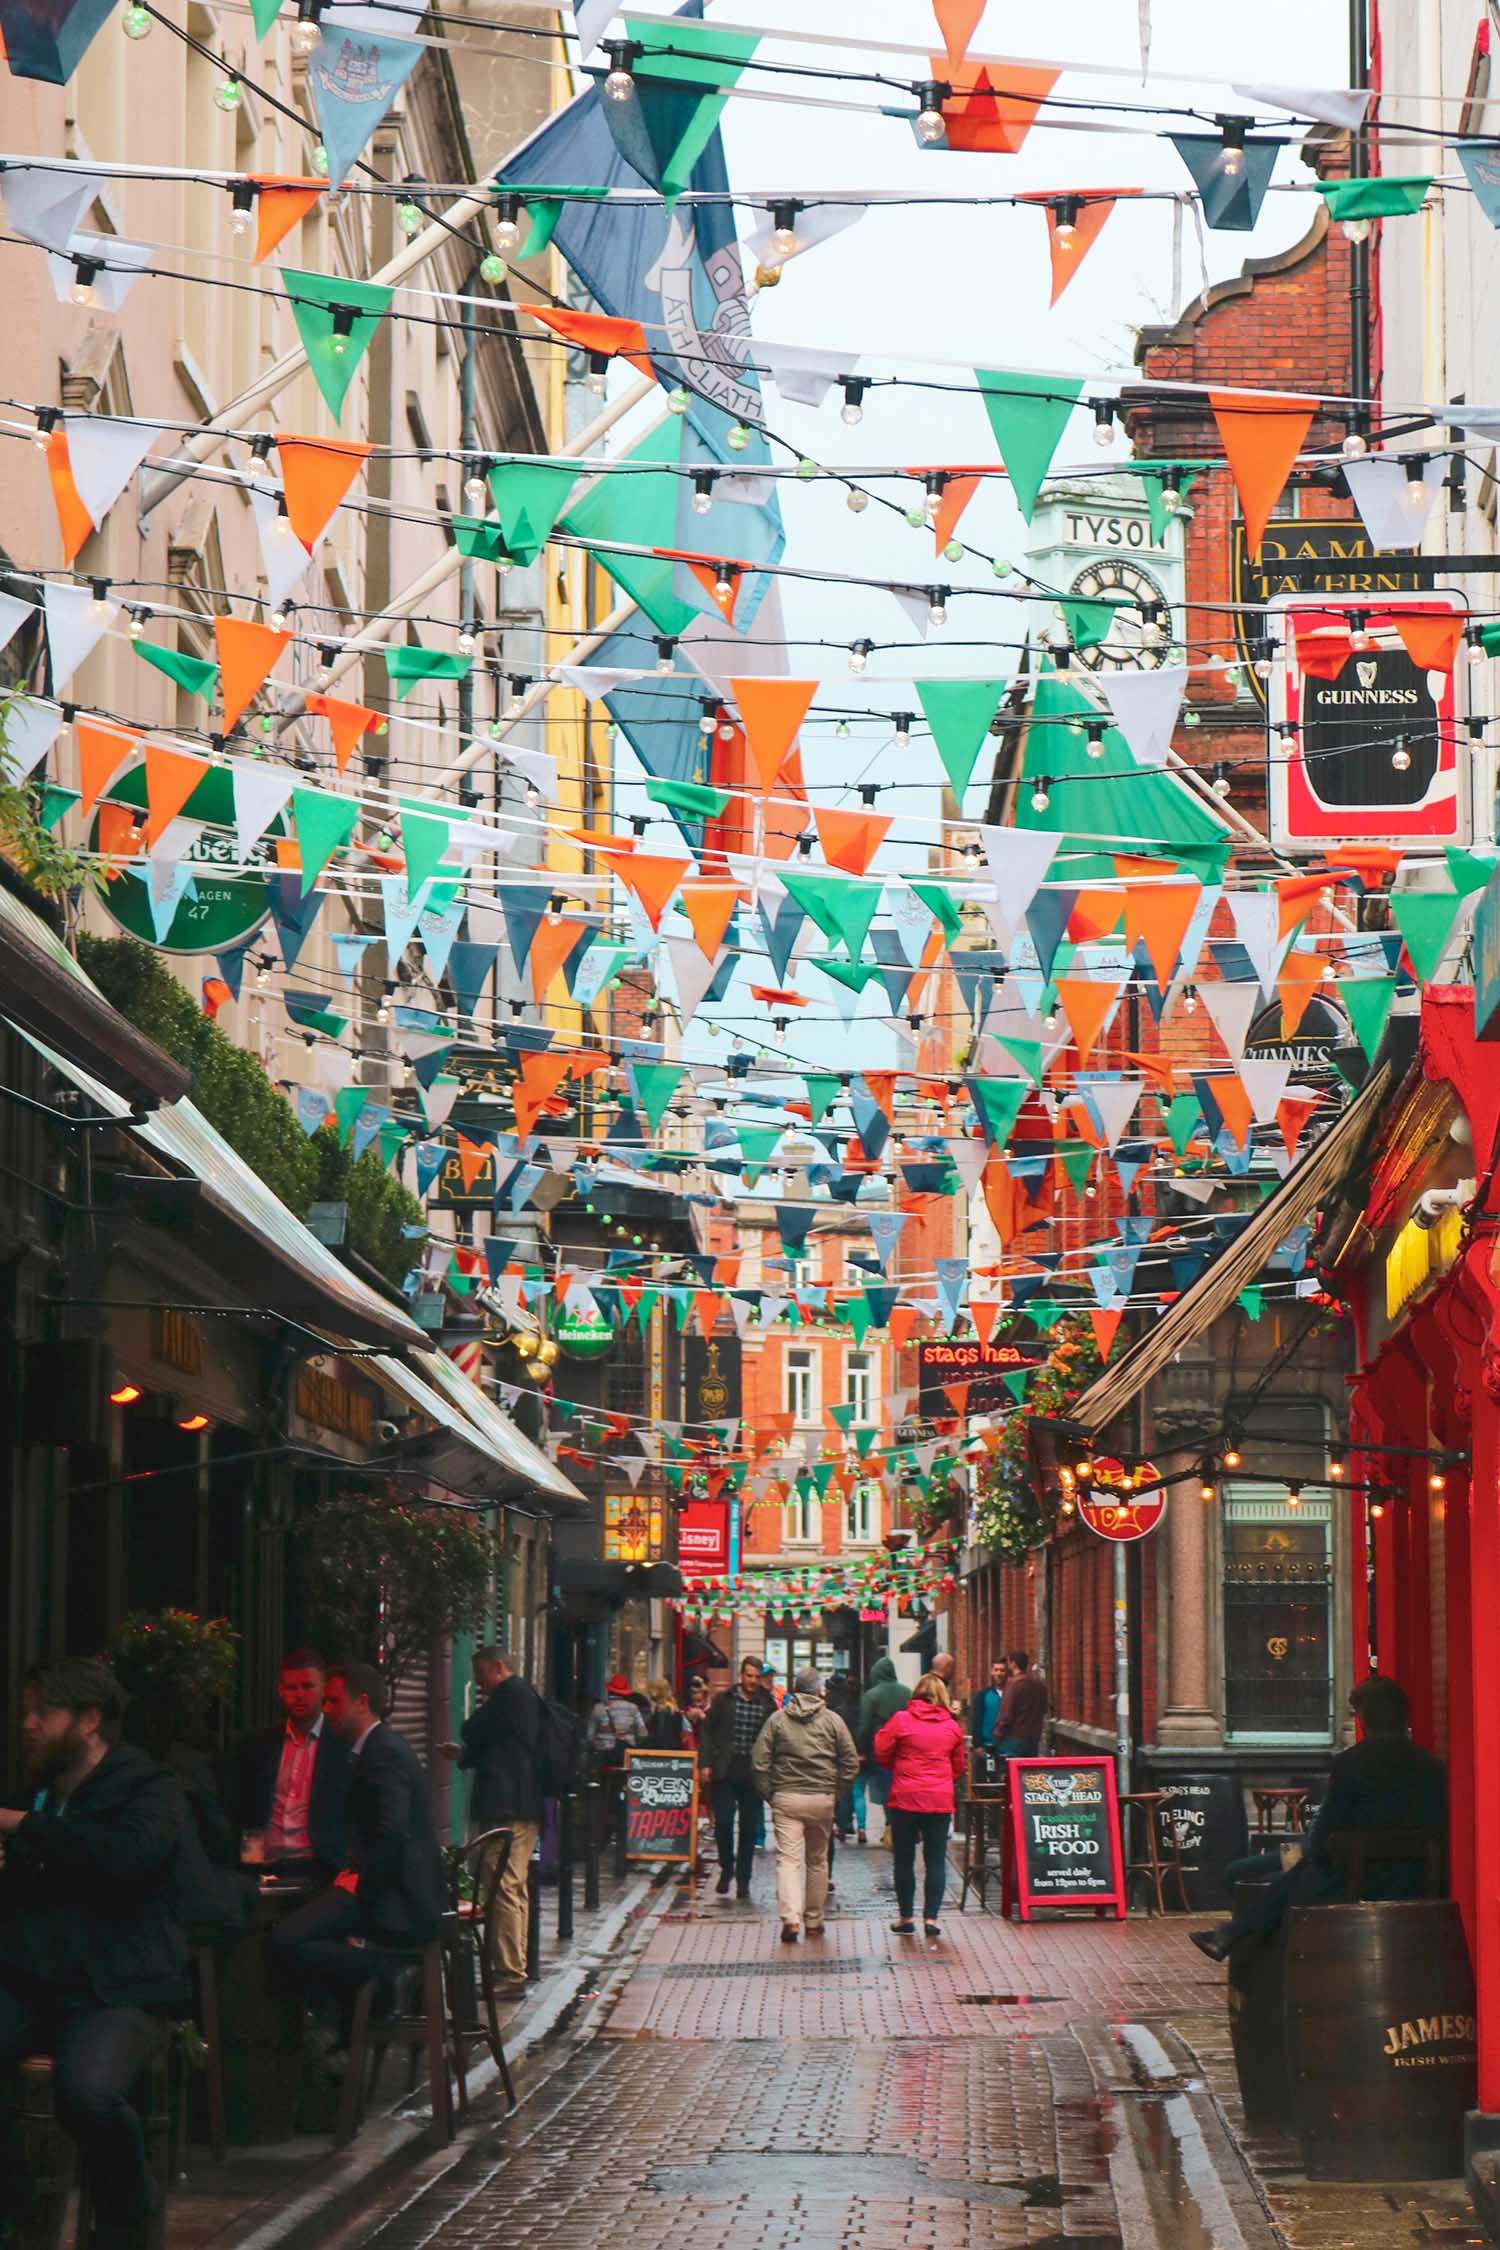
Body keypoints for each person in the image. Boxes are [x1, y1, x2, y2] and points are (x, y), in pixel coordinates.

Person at [0, 1660, 188, 2250]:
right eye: (26, 1711)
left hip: (117, 1987)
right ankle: (18, 2214)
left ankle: (131, 2221)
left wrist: (23, 1829)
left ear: (89, 1721)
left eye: (42, 1713)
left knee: (87, 2094)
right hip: (33, 1979)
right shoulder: (34, 1789)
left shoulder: (147, 1787)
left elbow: (128, 1856)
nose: (27, 1724)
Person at [1191, 1674, 1447, 1962]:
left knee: (1293, 1879)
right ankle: (1230, 1934)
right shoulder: (1432, 1767)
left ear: (1364, 1719)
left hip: (1359, 1879)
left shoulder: (1350, 1763)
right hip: (1419, 1877)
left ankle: (1239, 1941)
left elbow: (1326, 1833)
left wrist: (1316, 1856)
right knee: (1297, 1874)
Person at [271, 1663, 447, 2051]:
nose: (326, 1708)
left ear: (362, 1702)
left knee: (285, 1939)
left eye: (334, 1701)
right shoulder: (376, 1748)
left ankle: (386, 1975)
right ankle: (345, 2026)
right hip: (387, 1890)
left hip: (396, 1901)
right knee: (301, 1927)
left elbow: (392, 1832)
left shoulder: (382, 1752)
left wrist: (359, 1884)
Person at [439, 1648, 540, 2002]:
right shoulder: (521, 1699)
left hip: (508, 1807)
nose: (479, 1683)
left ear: (499, 1667)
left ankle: (510, 1973)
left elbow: (475, 1727)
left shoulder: (511, 1694)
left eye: (481, 1674)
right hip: (519, 1805)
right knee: (512, 1886)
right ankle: (512, 1968)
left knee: (502, 1888)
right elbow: (498, 1744)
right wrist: (465, 1756)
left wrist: (468, 1743)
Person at [751, 1669, 859, 1944]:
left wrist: (771, 1795)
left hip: (787, 1797)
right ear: (818, 1691)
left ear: (794, 1690)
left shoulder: (777, 1720)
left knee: (787, 1860)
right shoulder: (833, 1721)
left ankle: (791, 1918)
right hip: (821, 1798)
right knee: (817, 1860)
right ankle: (814, 1919)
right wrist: (836, 1793)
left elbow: (759, 1762)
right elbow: (850, 1762)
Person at [230, 1647, 350, 1877]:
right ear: (280, 1691)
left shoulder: (342, 1745)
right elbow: (245, 1809)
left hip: (321, 1869)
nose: (299, 1694)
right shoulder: (257, 1745)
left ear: (324, 1689)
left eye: (307, 1686)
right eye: (291, 1687)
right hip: (264, 1868)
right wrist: (248, 1866)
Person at [875, 1672, 967, 1940]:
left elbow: (881, 1750)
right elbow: (959, 1765)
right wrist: (941, 1780)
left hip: (905, 1798)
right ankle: (932, 1919)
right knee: (935, 1860)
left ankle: (906, 1917)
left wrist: (899, 1768)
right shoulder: (951, 1727)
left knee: (903, 1860)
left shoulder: (901, 1720)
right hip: (938, 1801)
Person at [701, 1657, 776, 1899]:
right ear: (741, 1676)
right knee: (723, 1823)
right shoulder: (724, 1700)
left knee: (749, 1828)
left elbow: (775, 1736)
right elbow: (707, 1731)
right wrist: (705, 1763)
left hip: (753, 1771)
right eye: (749, 1676)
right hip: (726, 1768)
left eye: (757, 1677)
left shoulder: (767, 1702)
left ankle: (743, 1879)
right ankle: (726, 1867)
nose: (753, 1681)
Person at [856, 1657, 909, 1848]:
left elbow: (864, 1727)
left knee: (886, 1791)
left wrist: (860, 1750)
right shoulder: (907, 1693)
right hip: (904, 1750)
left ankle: (892, 1829)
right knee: (901, 1790)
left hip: (880, 1751)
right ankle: (898, 1828)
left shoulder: (871, 1696)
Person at [827, 1673, 867, 1842]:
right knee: (858, 1793)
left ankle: (842, 1828)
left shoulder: (839, 1712)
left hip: (843, 1757)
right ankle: (862, 1828)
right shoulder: (864, 1711)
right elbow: (866, 1732)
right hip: (861, 1756)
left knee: (843, 1794)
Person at [995, 1652, 1048, 1758]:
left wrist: (998, 1733)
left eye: (1009, 1662)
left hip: (1014, 1738)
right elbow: (1044, 1709)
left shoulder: (1013, 1684)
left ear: (1013, 1664)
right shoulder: (1039, 1685)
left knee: (1009, 1771)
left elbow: (1006, 1713)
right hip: (1033, 1738)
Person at [588, 1674, 648, 1765]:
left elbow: (590, 1736)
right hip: (626, 1754)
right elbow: (643, 1733)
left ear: (609, 1691)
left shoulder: (598, 1708)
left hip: (603, 1754)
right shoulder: (633, 1708)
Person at [972, 1660, 1010, 1762]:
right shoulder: (982, 1695)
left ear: (1007, 1673)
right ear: (991, 1672)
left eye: (1002, 1670)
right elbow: (976, 1721)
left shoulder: (1012, 1694)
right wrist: (977, 1745)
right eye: (996, 1670)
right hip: (987, 1747)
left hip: (1009, 1748)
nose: (999, 1673)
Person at [644, 1678, 692, 1749]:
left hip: (663, 1752)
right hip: (675, 1750)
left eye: (650, 1691)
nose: (649, 1694)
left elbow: (659, 1735)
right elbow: (686, 1729)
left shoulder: (660, 1710)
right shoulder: (675, 1709)